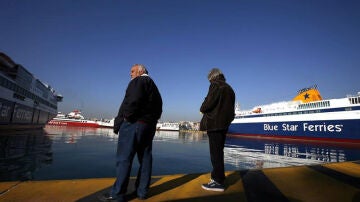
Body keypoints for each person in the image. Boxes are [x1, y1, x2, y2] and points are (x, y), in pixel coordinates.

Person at [103, 64, 162, 201]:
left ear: (141, 71)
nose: (130, 74)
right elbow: (159, 109)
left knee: (124, 159)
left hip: (134, 124)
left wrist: (126, 118)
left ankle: (117, 194)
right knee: (146, 159)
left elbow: (132, 101)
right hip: (148, 127)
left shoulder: (138, 81)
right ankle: (142, 192)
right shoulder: (154, 87)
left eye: (132, 71)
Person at [200, 68, 235, 192]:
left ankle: (217, 182)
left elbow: (207, 105)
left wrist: (203, 106)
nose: (209, 82)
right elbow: (232, 112)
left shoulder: (215, 85)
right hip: (224, 125)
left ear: (212, 77)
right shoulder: (230, 88)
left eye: (209, 79)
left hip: (214, 125)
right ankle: (220, 178)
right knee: (219, 152)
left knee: (215, 154)